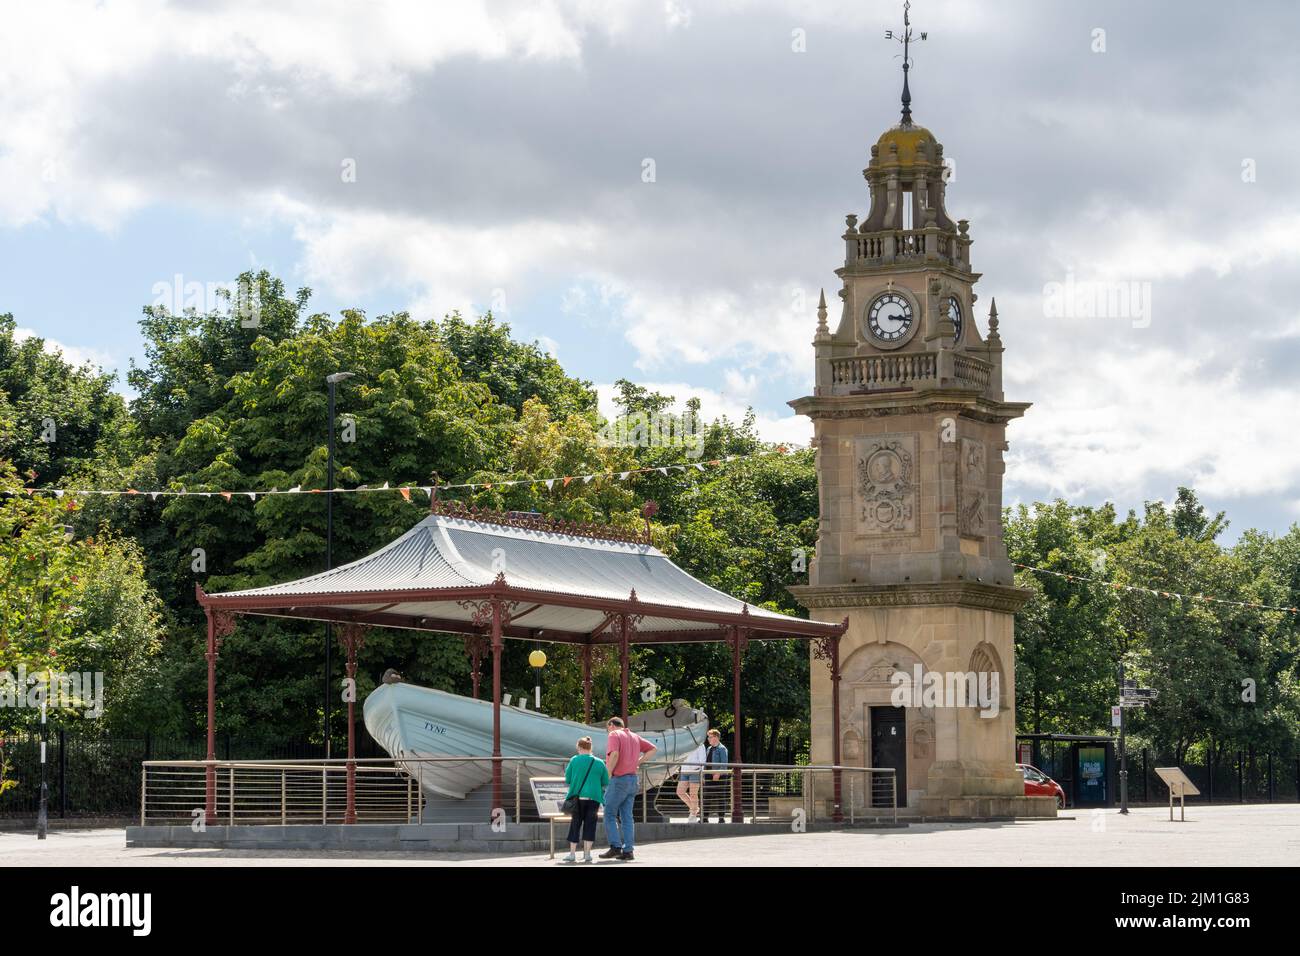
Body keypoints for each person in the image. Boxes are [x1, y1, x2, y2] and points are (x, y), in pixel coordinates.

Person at [599, 716, 656, 861]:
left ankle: (615, 847)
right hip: (632, 780)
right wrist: (638, 762)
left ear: (611, 725)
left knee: (609, 814)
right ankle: (628, 851)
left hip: (619, 780)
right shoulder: (634, 736)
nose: (608, 731)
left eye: (607, 728)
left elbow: (615, 754)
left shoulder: (614, 734)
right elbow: (653, 749)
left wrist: (609, 773)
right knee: (627, 817)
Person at [561, 736, 609, 864]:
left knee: (575, 824)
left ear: (580, 747)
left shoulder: (574, 760)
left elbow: (568, 779)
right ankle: (587, 854)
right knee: (590, 825)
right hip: (594, 798)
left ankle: (572, 854)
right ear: (590, 748)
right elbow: (605, 781)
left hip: (578, 798)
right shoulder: (599, 762)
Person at [701, 728, 729, 823]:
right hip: (708, 776)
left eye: (710, 737)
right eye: (708, 737)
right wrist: (703, 776)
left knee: (720, 797)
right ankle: (704, 818)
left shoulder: (722, 749)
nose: (708, 739)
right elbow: (706, 763)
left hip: (720, 776)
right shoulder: (709, 749)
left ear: (716, 737)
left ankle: (721, 818)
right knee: (707, 797)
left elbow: (724, 764)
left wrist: (718, 773)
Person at [676, 740, 707, 822]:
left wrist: (702, 774)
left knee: (693, 794)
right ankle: (695, 809)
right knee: (680, 792)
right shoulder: (683, 743)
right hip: (684, 771)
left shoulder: (700, 745)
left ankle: (693, 815)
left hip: (695, 771)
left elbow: (702, 760)